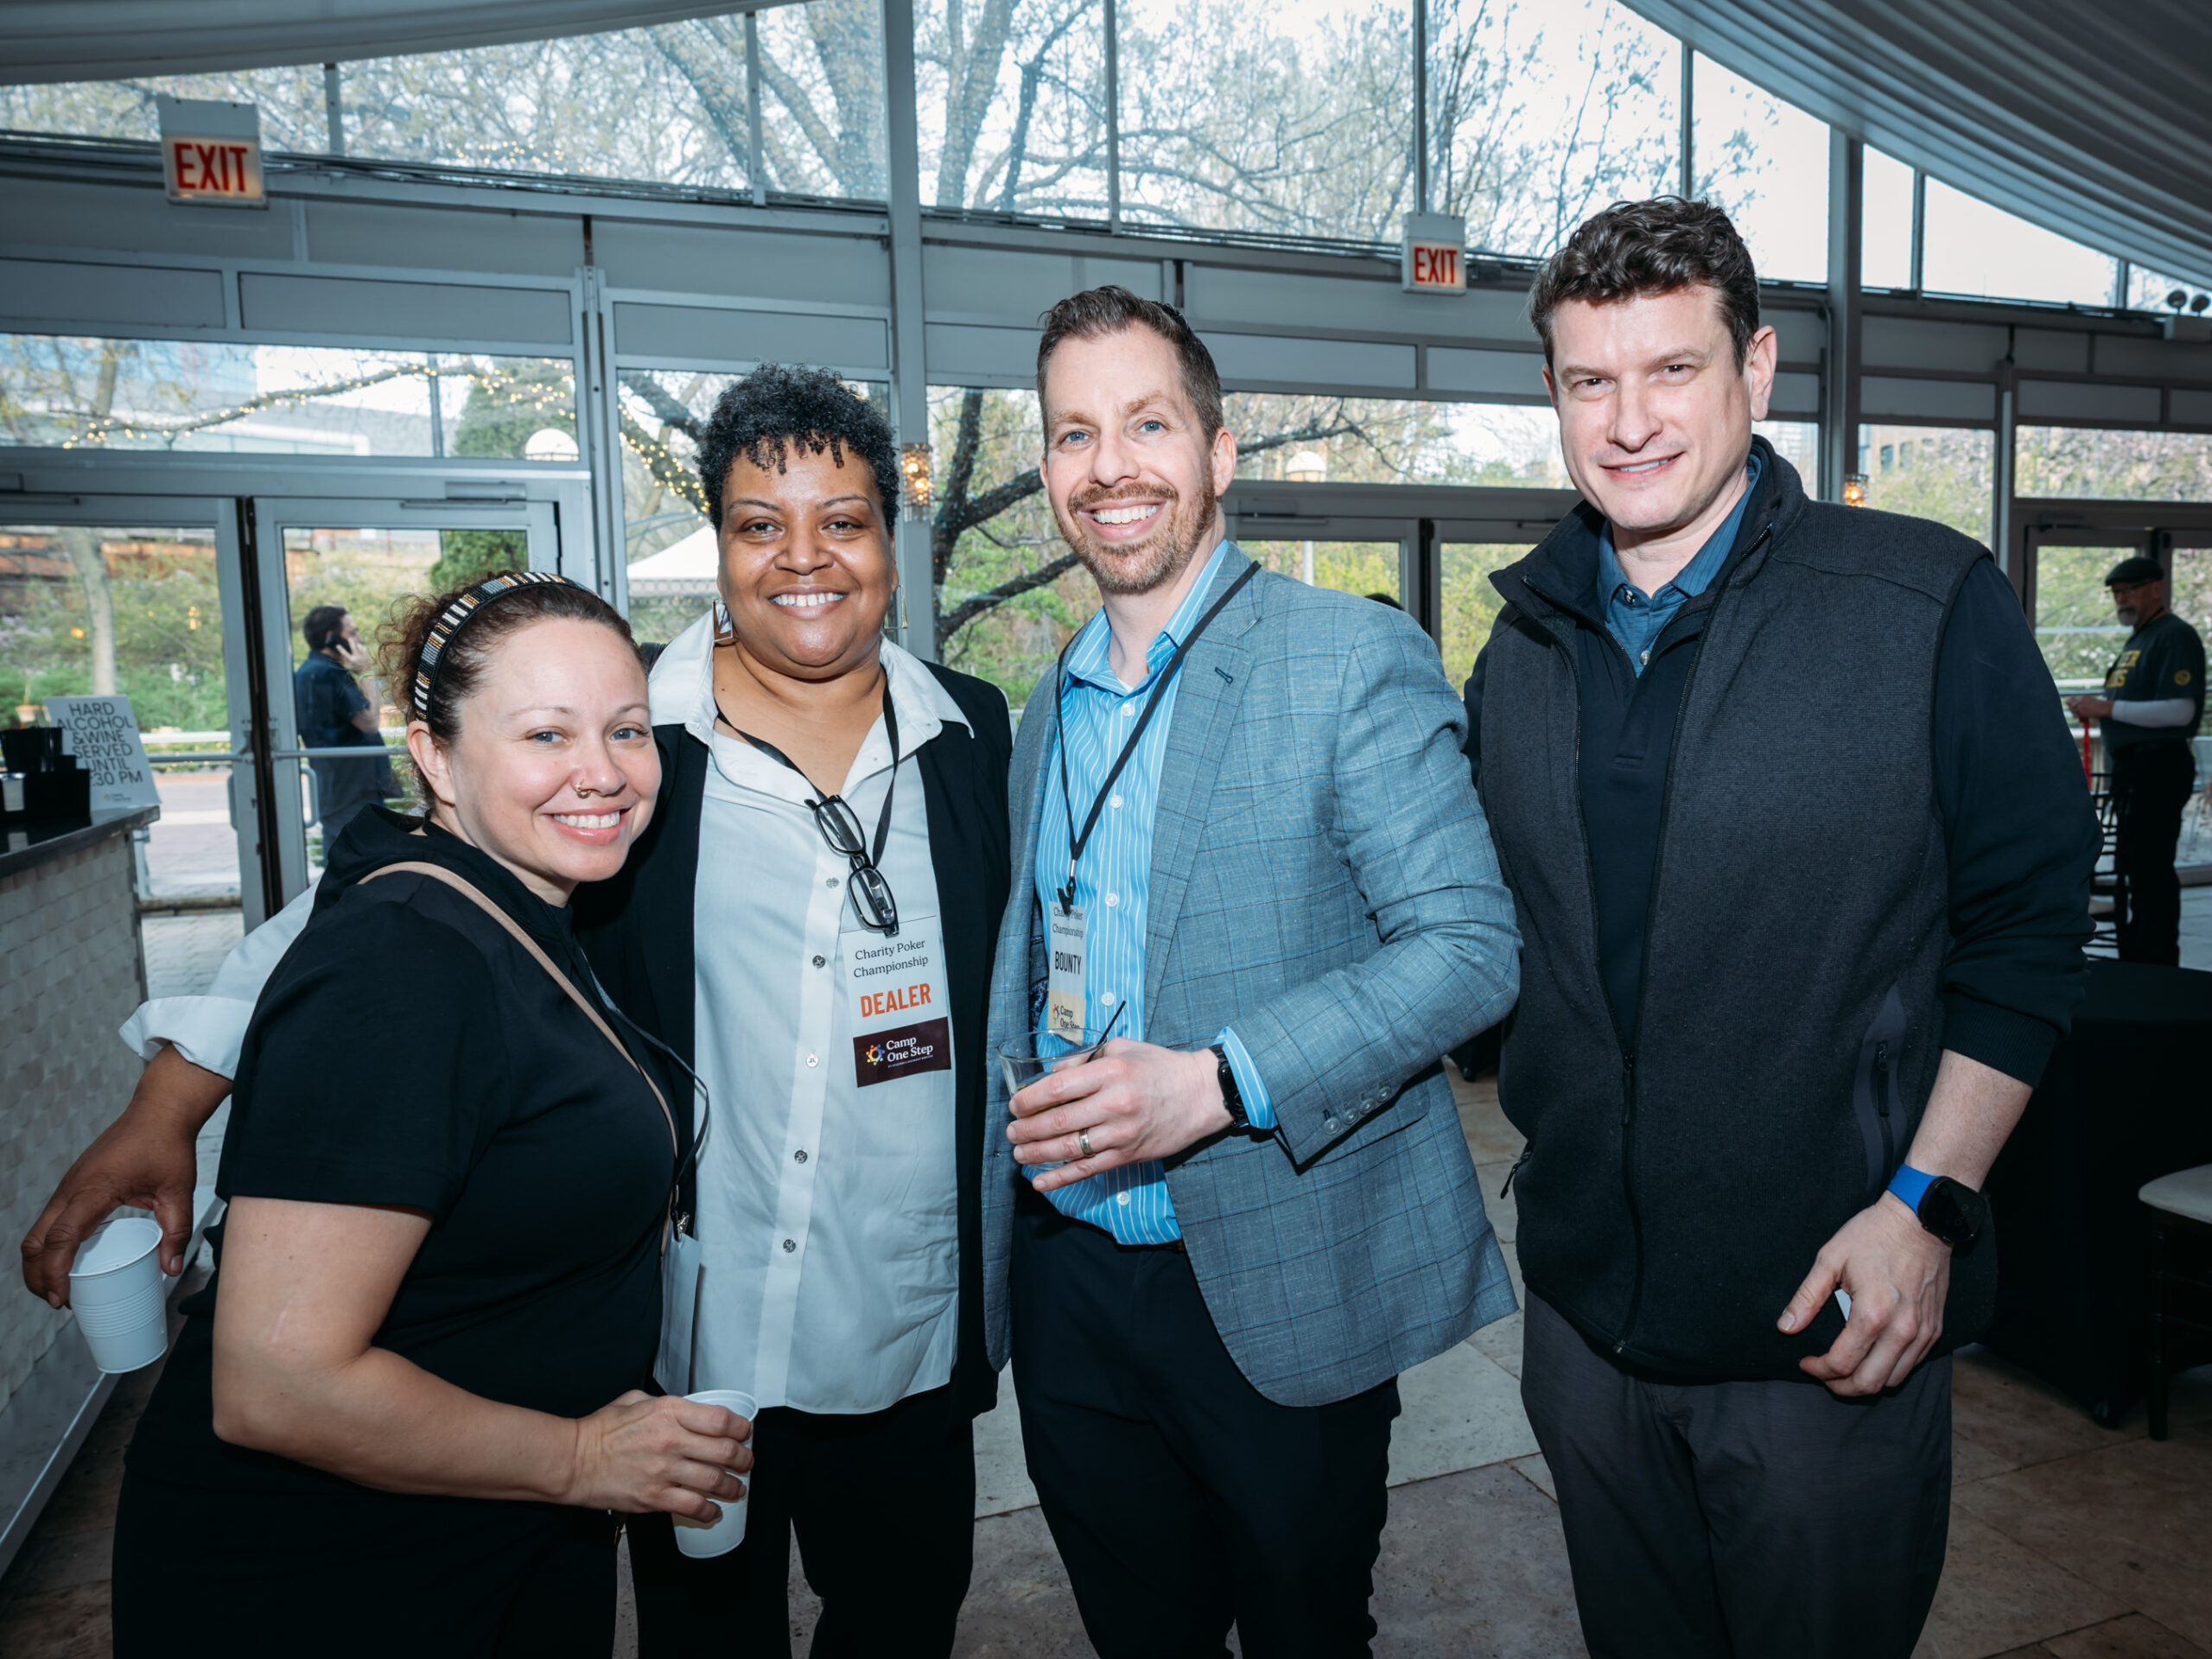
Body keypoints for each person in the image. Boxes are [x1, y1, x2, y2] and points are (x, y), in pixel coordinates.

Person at [25, 367, 1011, 1659]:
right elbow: (355, 919)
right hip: (691, 1326)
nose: (802, 558)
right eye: (759, 523)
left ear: (893, 537)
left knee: (901, 1623)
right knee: (706, 1641)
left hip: (910, 1315)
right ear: (719, 544)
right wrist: (165, 1107)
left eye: (844, 519)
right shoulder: (629, 752)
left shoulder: (977, 735)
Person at [1465, 198, 2100, 1659]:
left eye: (1672, 371)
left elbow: (2024, 930)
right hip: (1584, 1335)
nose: (1629, 422)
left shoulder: (1922, 603)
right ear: (1553, 393)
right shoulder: (1522, 647)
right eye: (1589, 381)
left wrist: (1927, 1205)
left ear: (1757, 370)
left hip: (1827, 1331)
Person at [983, 285, 1521, 1658]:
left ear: (1219, 453)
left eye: (1147, 423)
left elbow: (1470, 951)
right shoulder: (1048, 705)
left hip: (1277, 1273)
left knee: (1301, 1632)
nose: (1110, 467)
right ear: (1047, 467)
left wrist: (1223, 1081)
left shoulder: (1348, 659)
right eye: (1074, 434)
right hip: (1072, 1276)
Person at [109, 572, 752, 1656]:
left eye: (627, 730)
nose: (602, 772)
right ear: (436, 756)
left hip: (488, 1537)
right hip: (333, 1577)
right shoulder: (401, 964)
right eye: (546, 734)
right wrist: (580, 1460)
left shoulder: (522, 906)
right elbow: (275, 1381)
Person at [2067, 556, 2205, 964]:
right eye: (2116, 593)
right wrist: (2097, 705)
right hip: (2134, 768)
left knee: (2150, 870)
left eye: (2129, 590)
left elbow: (2180, 711)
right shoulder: (2140, 638)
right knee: (2133, 868)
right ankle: (2137, 957)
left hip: (2158, 766)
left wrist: (2106, 710)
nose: (2120, 599)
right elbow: (2133, 701)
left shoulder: (2174, 635)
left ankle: (2157, 965)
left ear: (2156, 588)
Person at [295, 603, 397, 837]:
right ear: (332, 638)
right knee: (365, 862)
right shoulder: (328, 673)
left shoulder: (307, 671)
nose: (359, 639)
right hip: (352, 791)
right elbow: (370, 722)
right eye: (352, 633)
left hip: (335, 788)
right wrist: (366, 672)